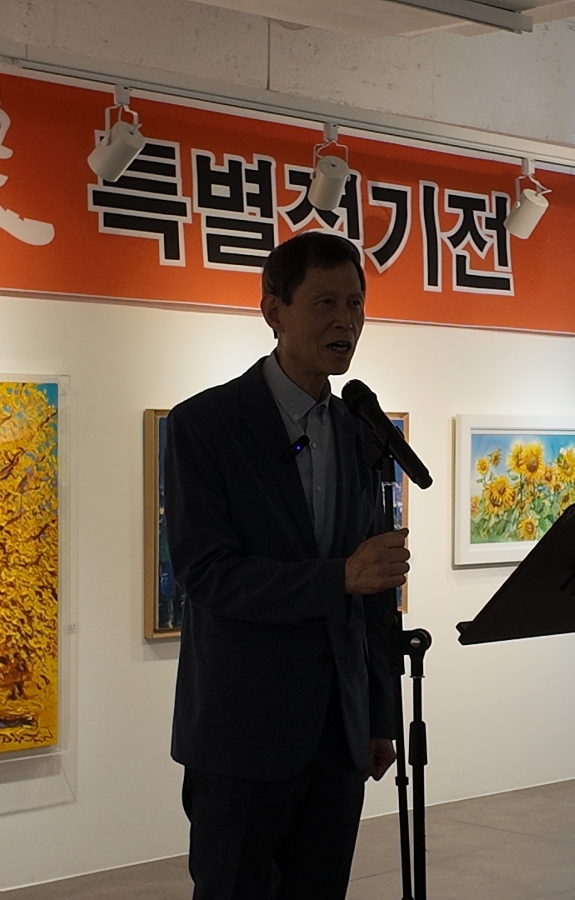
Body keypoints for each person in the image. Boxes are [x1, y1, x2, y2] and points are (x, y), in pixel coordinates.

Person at [166, 231, 410, 900]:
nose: (346, 321)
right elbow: (207, 574)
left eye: (356, 304)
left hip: (340, 734)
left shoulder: (361, 431)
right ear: (273, 310)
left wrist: (379, 716)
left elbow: (375, 591)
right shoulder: (205, 425)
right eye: (325, 302)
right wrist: (338, 577)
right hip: (241, 733)